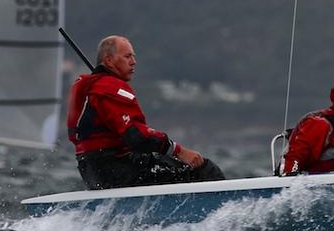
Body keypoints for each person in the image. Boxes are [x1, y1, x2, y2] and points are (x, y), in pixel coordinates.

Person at [66, 35, 225, 190]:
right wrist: (180, 151)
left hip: (90, 171)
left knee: (160, 162)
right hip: (117, 169)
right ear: (109, 61)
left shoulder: (85, 87)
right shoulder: (110, 88)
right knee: (203, 169)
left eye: (133, 56)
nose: (133, 62)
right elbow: (138, 138)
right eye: (127, 56)